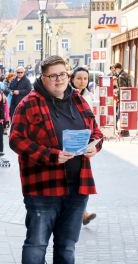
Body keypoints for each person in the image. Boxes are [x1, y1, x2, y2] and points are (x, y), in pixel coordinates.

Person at [10, 55, 103, 264]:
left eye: (63, 74)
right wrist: (51, 155)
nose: (59, 79)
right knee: (37, 242)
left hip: (77, 184)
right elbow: (16, 140)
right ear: (43, 77)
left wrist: (95, 146)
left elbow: (96, 131)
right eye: (53, 75)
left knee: (67, 242)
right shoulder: (29, 104)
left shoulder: (78, 100)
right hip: (43, 186)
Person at [70, 66, 98, 227]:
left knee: (80, 177)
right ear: (72, 78)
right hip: (70, 140)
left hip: (85, 142)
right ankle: (81, 213)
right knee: (74, 178)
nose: (82, 81)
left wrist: (94, 140)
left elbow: (93, 121)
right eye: (79, 78)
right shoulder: (67, 94)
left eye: (85, 79)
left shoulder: (88, 95)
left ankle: (82, 212)